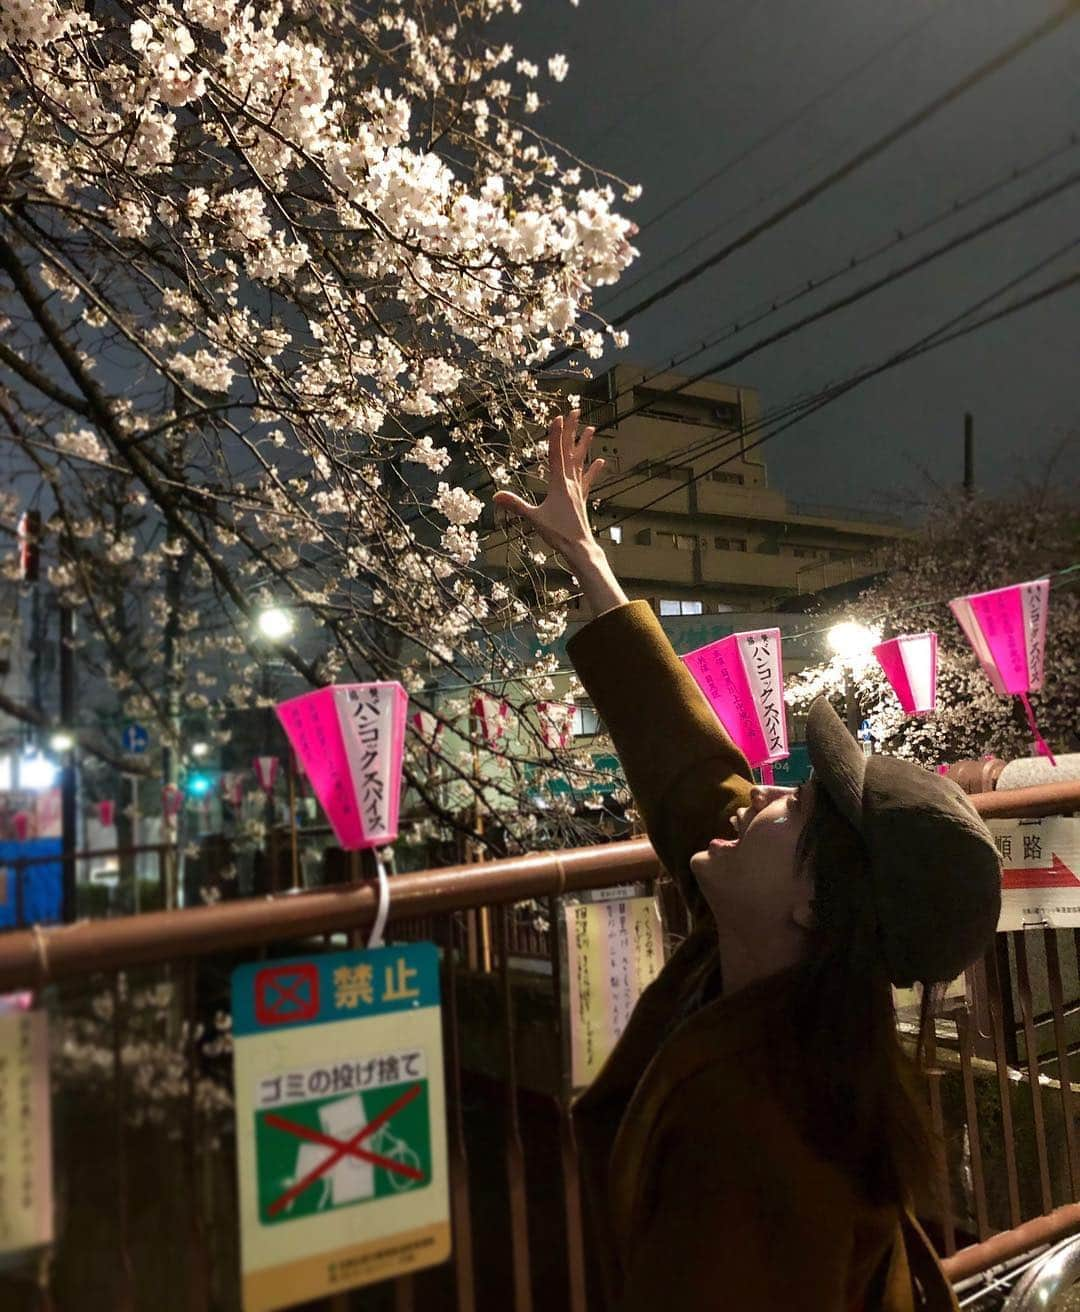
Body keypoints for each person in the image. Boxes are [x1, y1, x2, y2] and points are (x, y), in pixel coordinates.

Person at [494, 412, 1001, 1312]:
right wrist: (588, 559)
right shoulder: (783, 980)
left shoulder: (763, 1141)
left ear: (817, 903)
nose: (759, 795)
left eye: (794, 805)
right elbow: (693, 772)